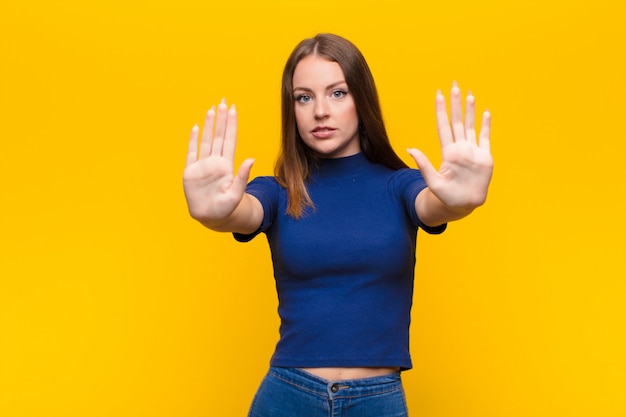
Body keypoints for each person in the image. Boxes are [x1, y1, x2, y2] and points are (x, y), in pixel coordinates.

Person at [183, 33, 493, 417]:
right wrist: (214, 213)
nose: (320, 112)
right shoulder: (278, 192)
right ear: (291, 108)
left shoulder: (400, 185)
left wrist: (459, 200)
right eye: (304, 97)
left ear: (361, 100)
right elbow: (241, 212)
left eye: (337, 93)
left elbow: (435, 206)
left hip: (377, 400)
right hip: (288, 397)